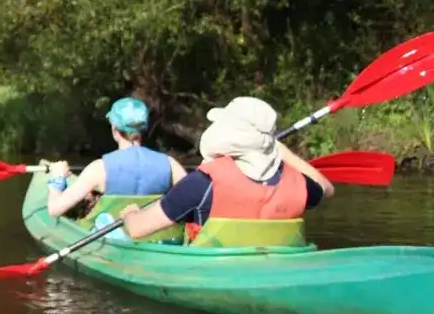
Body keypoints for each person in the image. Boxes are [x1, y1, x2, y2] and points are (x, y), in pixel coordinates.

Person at [118, 96, 335, 241]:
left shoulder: (201, 183)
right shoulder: (298, 184)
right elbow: (326, 187)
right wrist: (282, 152)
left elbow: (137, 230)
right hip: (273, 268)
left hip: (211, 269)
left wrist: (131, 214)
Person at [46, 97, 187, 218]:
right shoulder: (170, 164)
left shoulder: (99, 169)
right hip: (154, 236)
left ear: (114, 129)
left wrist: (57, 180)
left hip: (113, 238)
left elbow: (54, 210)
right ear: (143, 128)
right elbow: (195, 197)